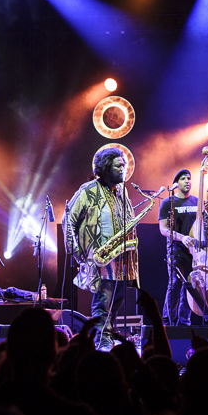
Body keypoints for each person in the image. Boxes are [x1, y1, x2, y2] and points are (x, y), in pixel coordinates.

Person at [64, 147, 139, 350]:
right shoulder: (88, 190)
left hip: (122, 259)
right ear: (106, 168)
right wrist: (76, 250)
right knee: (102, 302)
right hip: (100, 260)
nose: (123, 169)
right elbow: (68, 218)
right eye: (119, 165)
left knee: (117, 301)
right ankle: (102, 339)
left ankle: (108, 334)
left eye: (124, 165)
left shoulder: (122, 191)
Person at [158, 169, 198, 327]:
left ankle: (184, 323)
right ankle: (168, 322)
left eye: (189, 178)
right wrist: (182, 237)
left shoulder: (197, 201)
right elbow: (163, 229)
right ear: (177, 183)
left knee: (190, 287)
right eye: (183, 178)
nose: (187, 181)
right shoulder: (168, 202)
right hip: (176, 251)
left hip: (195, 253)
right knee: (175, 285)